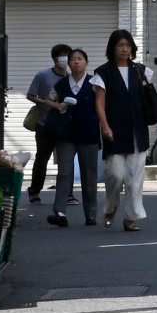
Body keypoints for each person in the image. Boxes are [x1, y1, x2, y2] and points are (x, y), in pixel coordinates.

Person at [93, 29, 155, 231]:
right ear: (112, 48)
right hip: (115, 129)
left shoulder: (141, 70)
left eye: (127, 45)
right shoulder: (103, 72)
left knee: (135, 178)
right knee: (115, 175)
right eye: (120, 45)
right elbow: (99, 103)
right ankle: (110, 207)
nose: (125, 49)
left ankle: (131, 217)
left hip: (138, 129)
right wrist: (105, 126)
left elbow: (150, 98)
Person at [42, 48, 101, 227]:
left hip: (89, 133)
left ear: (86, 63)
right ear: (68, 63)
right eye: (73, 59)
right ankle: (59, 212)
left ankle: (91, 214)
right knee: (64, 173)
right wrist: (58, 105)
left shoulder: (94, 83)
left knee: (89, 176)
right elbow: (48, 100)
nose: (76, 62)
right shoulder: (61, 84)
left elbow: (102, 105)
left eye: (80, 59)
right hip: (65, 134)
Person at [25, 45, 73, 204]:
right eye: (61, 55)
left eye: (67, 55)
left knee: (66, 161)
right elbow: (30, 95)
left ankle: (68, 193)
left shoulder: (72, 77)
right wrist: (46, 103)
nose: (64, 59)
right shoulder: (43, 75)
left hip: (65, 125)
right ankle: (35, 190)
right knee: (42, 158)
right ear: (54, 58)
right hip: (44, 123)